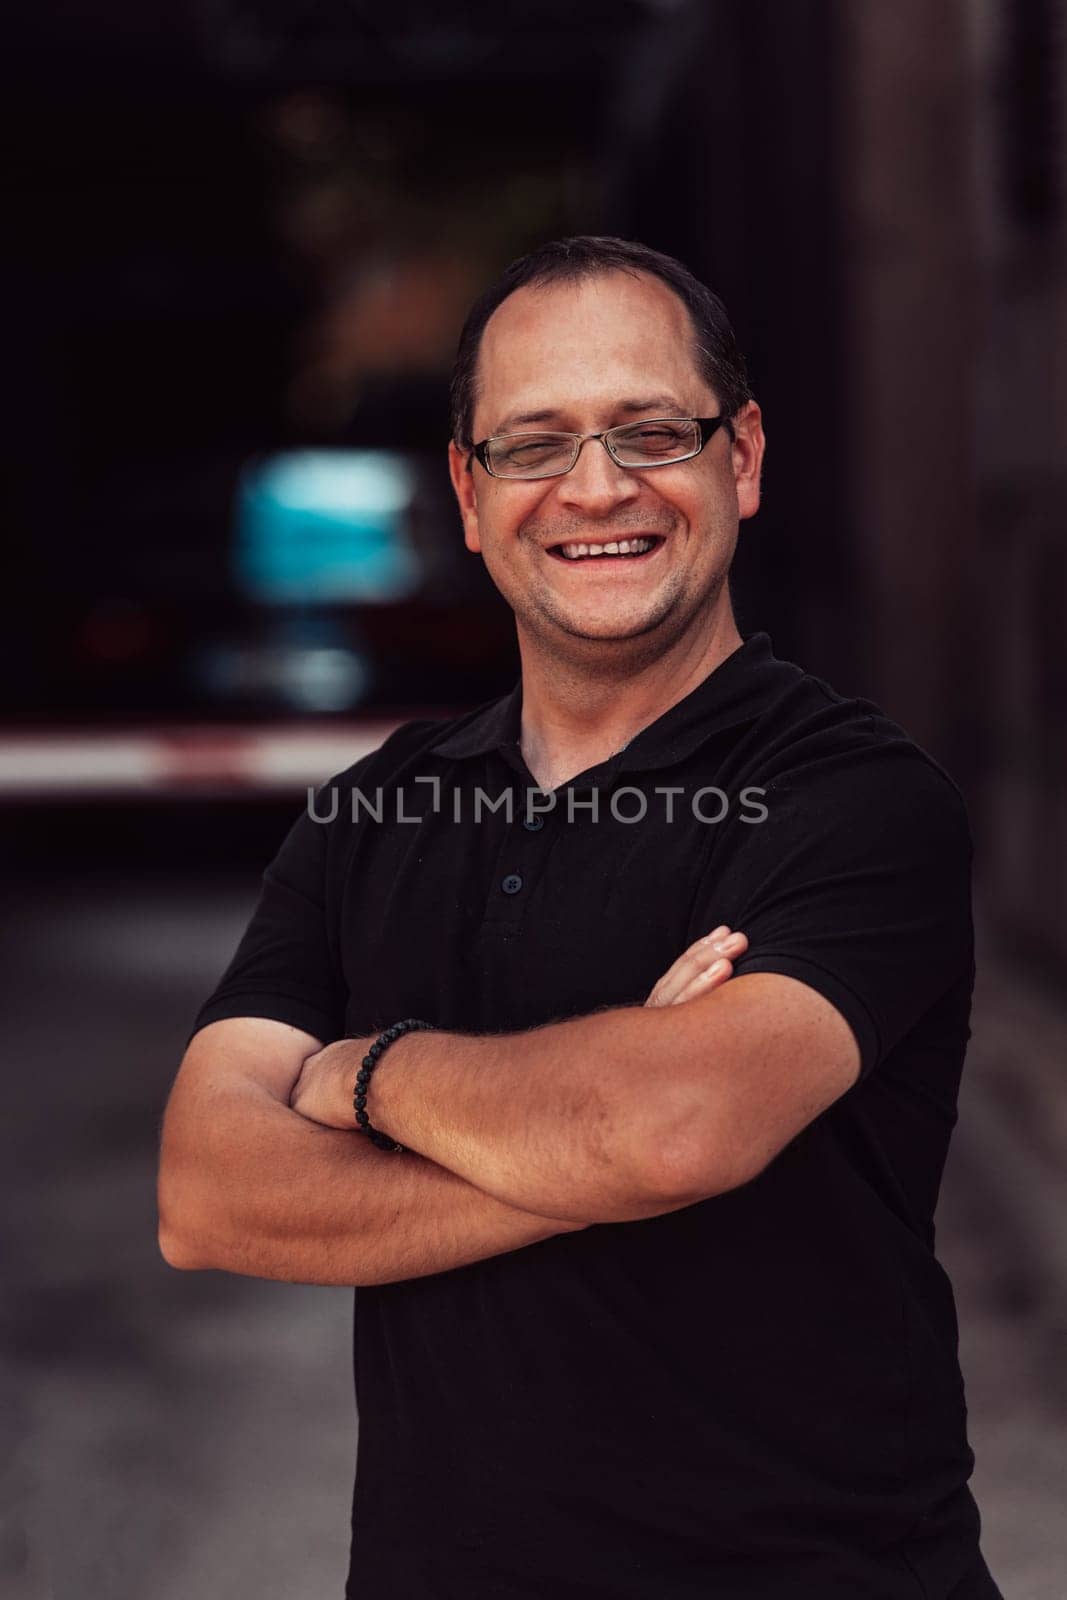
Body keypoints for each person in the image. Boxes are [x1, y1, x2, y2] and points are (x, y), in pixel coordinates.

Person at [158, 236, 1002, 1599]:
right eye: (535, 443)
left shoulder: (857, 798)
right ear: (469, 494)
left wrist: (361, 1073)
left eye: (651, 431)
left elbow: (669, 1126)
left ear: (742, 459)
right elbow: (209, 1196)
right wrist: (588, 1154)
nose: (597, 487)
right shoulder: (377, 808)